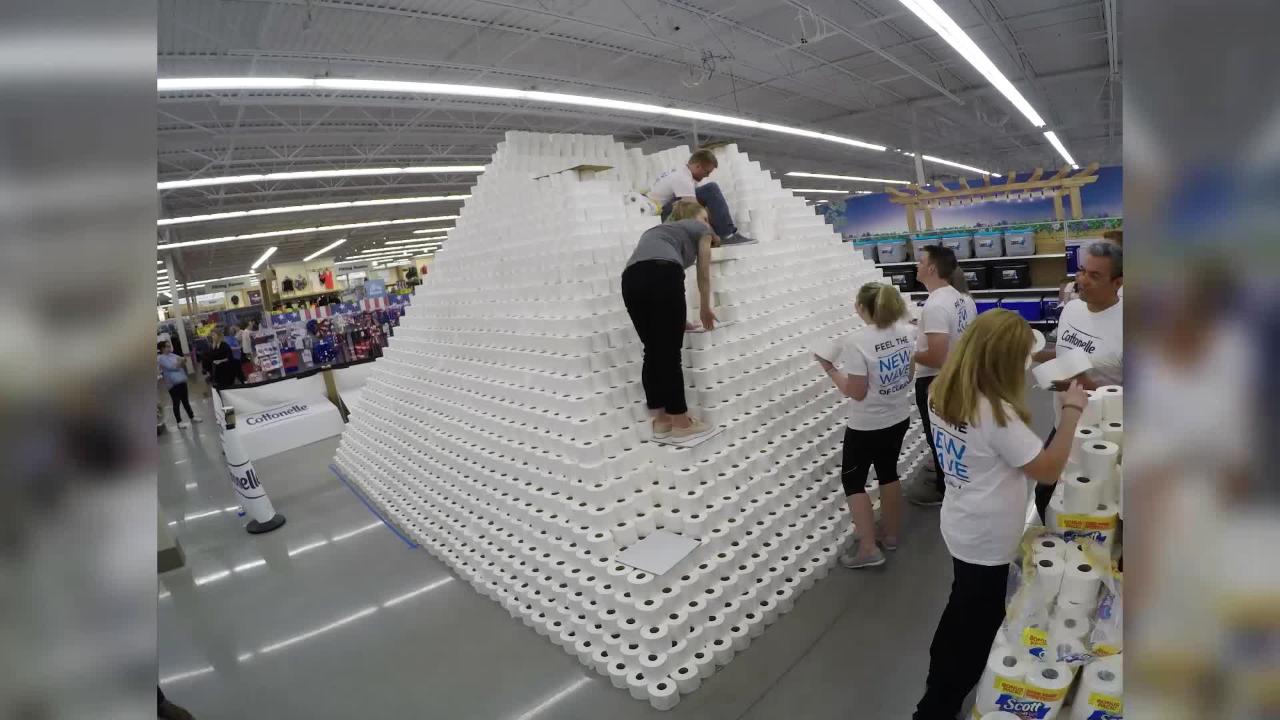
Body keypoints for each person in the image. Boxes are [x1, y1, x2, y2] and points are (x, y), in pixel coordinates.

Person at [913, 310, 1088, 720]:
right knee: (978, 621)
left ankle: (939, 671)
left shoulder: (944, 387)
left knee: (963, 602)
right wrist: (1072, 412)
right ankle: (936, 706)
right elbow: (1046, 469)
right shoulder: (996, 414)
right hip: (988, 536)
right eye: (1022, 359)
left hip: (960, 520)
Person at [816, 283, 915, 569]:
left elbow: (856, 392)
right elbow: (908, 376)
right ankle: (892, 535)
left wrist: (830, 368)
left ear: (861, 307)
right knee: (888, 472)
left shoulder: (856, 342)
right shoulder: (906, 333)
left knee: (854, 481)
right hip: (897, 417)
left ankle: (869, 549)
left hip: (867, 425)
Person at [1031, 241, 1123, 521]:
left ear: (1118, 282)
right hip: (1063, 424)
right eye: (1082, 271)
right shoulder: (1072, 309)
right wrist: (1031, 352)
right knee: (1045, 495)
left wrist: (1085, 386)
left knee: (1096, 507)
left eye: (1095, 276)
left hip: (1102, 437)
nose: (1082, 280)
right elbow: (1064, 353)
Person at [622, 199, 721, 441]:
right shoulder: (702, 230)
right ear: (695, 218)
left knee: (653, 349)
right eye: (704, 217)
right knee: (669, 352)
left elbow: (651, 270)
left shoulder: (660, 232)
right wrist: (705, 308)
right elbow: (703, 274)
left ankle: (662, 421)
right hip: (662, 274)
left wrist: (678, 321)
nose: (706, 223)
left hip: (630, 279)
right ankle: (681, 421)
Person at [906, 245, 976, 506]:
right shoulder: (961, 298)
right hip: (959, 375)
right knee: (953, 434)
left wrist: (912, 352)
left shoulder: (935, 305)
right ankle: (948, 477)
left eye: (921, 261)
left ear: (932, 268)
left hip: (937, 380)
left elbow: (935, 356)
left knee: (939, 435)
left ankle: (943, 490)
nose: (917, 266)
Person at [646, 149, 755, 246]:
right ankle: (727, 235)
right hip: (663, 217)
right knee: (711, 189)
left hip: (669, 211)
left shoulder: (686, 175)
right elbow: (695, 212)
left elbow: (703, 208)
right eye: (706, 172)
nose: (707, 176)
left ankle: (724, 234)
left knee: (707, 200)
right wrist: (712, 235)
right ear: (697, 166)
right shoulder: (682, 179)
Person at [158, 340, 201, 429]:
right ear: (162, 348)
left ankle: (192, 417)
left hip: (181, 380)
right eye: (167, 346)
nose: (169, 347)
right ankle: (179, 422)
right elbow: (172, 367)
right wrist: (179, 362)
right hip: (172, 384)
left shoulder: (172, 355)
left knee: (185, 401)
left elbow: (183, 360)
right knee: (176, 402)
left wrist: (180, 361)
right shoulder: (161, 358)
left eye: (169, 346)